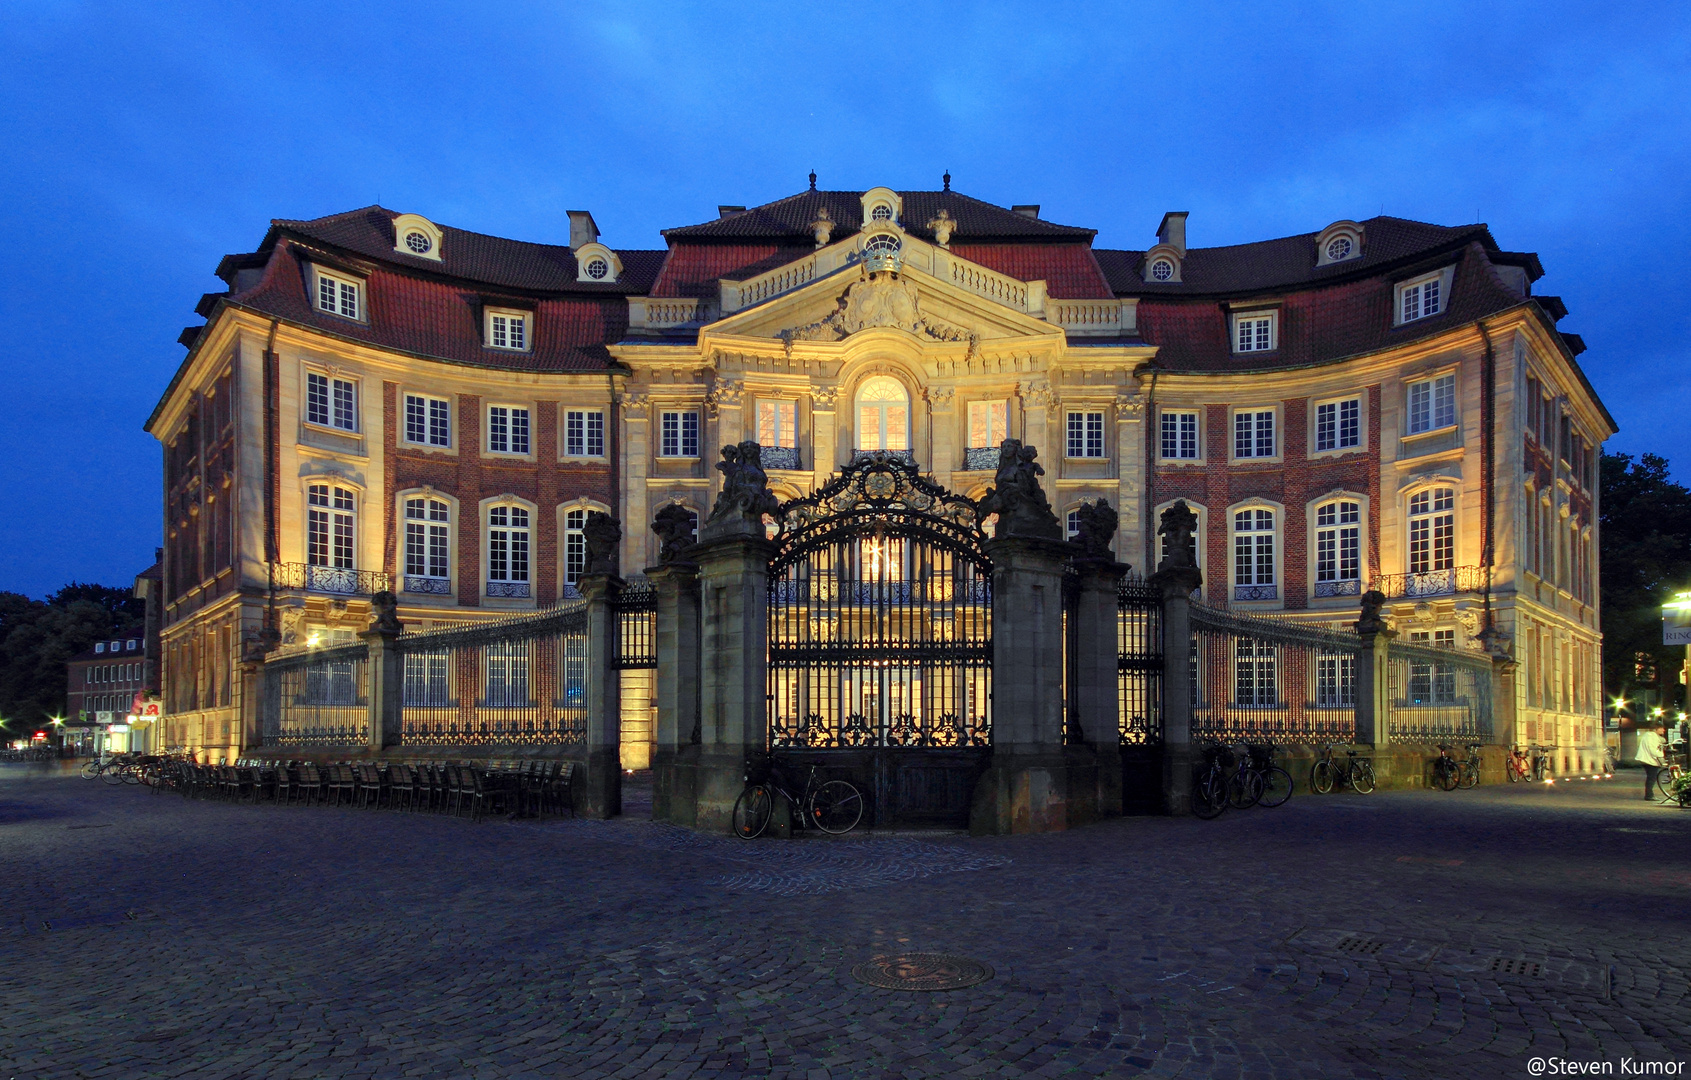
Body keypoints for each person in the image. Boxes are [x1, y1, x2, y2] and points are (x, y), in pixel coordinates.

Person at [1636, 724, 1667, 801]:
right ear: (1655, 729)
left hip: (1648, 759)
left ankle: (1649, 794)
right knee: (1651, 777)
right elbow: (1652, 750)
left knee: (1651, 777)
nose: (1663, 730)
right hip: (1649, 760)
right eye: (1661, 728)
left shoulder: (1650, 736)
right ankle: (1649, 795)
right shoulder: (1651, 737)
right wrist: (1661, 756)